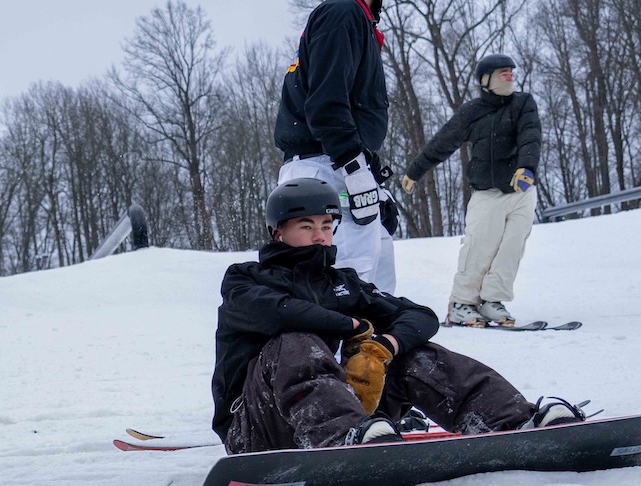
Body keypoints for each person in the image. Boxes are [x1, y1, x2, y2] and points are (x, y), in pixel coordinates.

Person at [213, 178, 581, 454]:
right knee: (294, 343)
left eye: (327, 226)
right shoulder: (245, 279)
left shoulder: (342, 284)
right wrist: (350, 325)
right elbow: (278, 312)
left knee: (414, 353)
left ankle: (511, 421)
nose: (320, 236)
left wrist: (387, 344)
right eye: (307, 227)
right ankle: (343, 437)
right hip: (254, 428)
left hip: (342, 415)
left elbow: (419, 316)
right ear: (278, 232)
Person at [400, 54, 541, 328]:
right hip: (487, 193)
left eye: (512, 71)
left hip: (521, 191)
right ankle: (462, 304)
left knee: (511, 249)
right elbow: (443, 142)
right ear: (485, 80)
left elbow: (530, 135)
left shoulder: (523, 103)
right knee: (479, 247)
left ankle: (492, 301)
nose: (510, 75)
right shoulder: (472, 111)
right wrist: (414, 171)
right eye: (503, 72)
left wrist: (526, 167)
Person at [274, 0, 398, 292]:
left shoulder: (356, 19)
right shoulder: (343, 12)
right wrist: (354, 168)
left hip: (337, 161)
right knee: (346, 283)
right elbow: (325, 103)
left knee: (376, 288)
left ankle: (374, 339)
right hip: (327, 166)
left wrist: (371, 172)